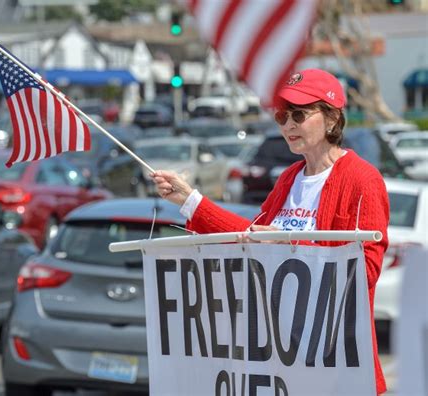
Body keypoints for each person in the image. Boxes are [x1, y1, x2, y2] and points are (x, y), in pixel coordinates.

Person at [151, 68, 389, 395]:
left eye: (299, 114)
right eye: (281, 115)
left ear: (332, 119)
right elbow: (252, 236)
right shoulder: (290, 177)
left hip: (335, 370)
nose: (288, 124)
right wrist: (189, 201)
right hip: (280, 367)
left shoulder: (362, 179)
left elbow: (364, 275)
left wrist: (290, 246)